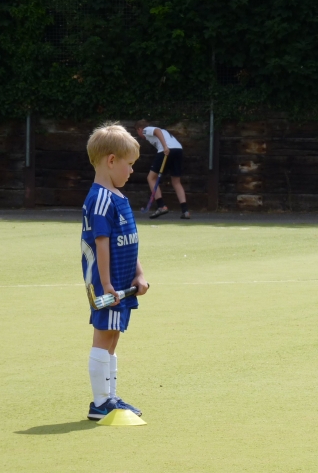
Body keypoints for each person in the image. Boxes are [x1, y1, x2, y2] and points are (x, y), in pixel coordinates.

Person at [82, 122, 150, 420]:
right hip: (106, 283)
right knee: (104, 335)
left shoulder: (119, 197)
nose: (132, 171)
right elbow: (101, 243)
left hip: (123, 281)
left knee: (114, 335)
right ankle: (100, 403)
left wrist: (139, 273)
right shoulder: (99, 199)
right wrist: (107, 283)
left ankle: (110, 397)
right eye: (130, 164)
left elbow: (128, 240)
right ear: (112, 160)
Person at [134, 120, 190, 219]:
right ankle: (185, 211)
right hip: (178, 150)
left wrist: (165, 147)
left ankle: (161, 206)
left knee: (151, 178)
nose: (139, 135)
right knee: (176, 181)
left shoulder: (145, 130)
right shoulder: (164, 132)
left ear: (139, 129)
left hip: (167, 150)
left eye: (137, 132)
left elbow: (157, 131)